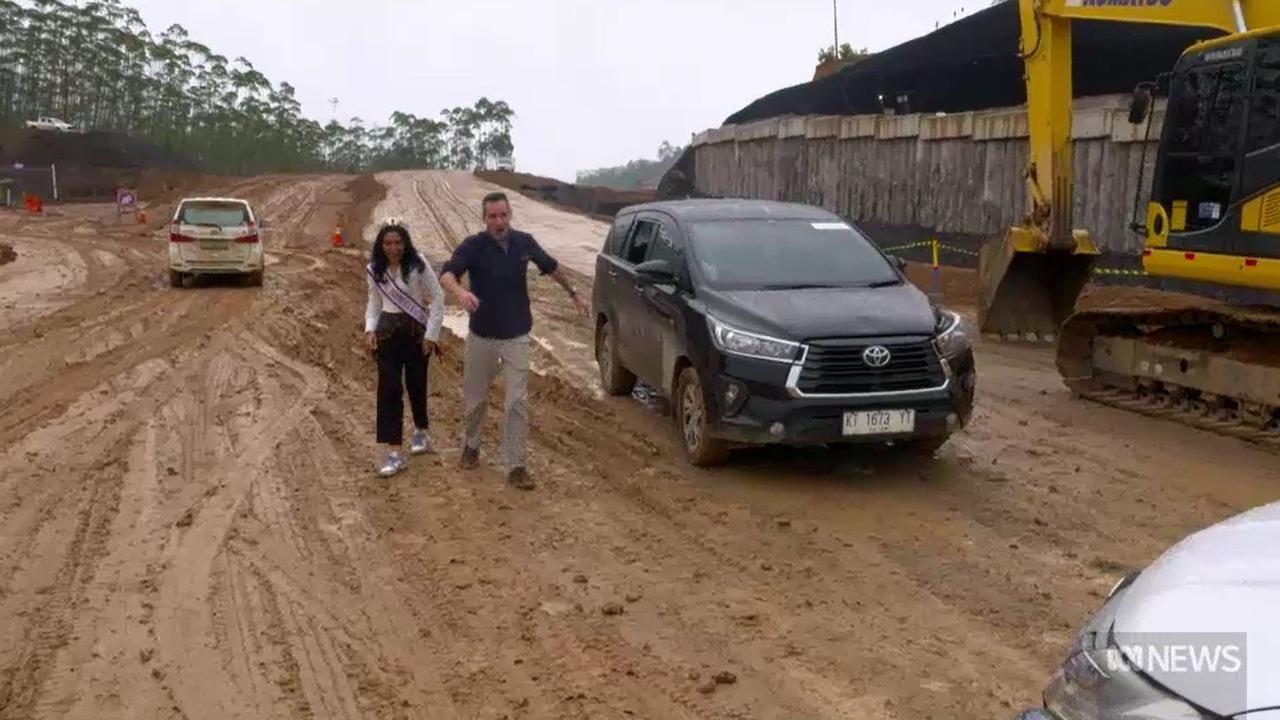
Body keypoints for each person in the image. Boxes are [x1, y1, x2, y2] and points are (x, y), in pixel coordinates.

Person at [439, 192, 588, 490]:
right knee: (476, 398)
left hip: (517, 335)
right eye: (492, 216)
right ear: (484, 219)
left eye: (503, 215)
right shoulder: (473, 246)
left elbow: (551, 265)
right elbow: (447, 274)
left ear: (510, 215)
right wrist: (460, 294)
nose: (499, 221)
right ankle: (471, 444)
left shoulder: (524, 242)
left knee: (516, 401)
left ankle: (516, 464)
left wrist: (573, 293)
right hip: (482, 335)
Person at [365, 217, 444, 477]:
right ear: (381, 244)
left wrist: (432, 334)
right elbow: (374, 303)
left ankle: (421, 430)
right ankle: (393, 452)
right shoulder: (374, 269)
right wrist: (369, 329)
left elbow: (437, 297)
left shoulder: (418, 264)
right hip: (387, 334)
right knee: (388, 391)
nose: (393, 247)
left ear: (405, 242)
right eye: (388, 242)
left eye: (398, 242)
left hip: (415, 334)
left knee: (416, 385)